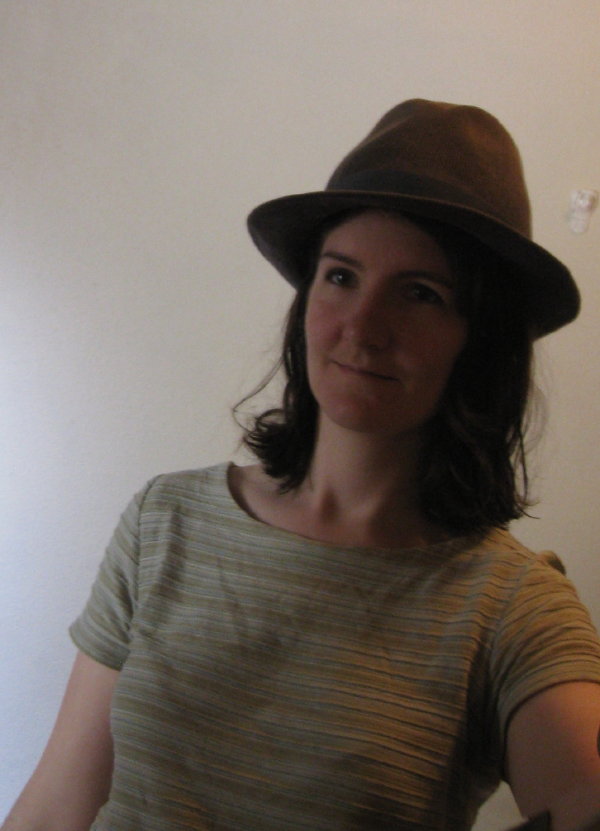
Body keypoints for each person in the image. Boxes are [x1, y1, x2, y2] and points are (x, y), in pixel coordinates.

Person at [3, 99, 600, 831]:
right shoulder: (164, 522)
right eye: (341, 277)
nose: (362, 326)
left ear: (480, 340)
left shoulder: (511, 607)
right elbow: (55, 806)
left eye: (420, 294)